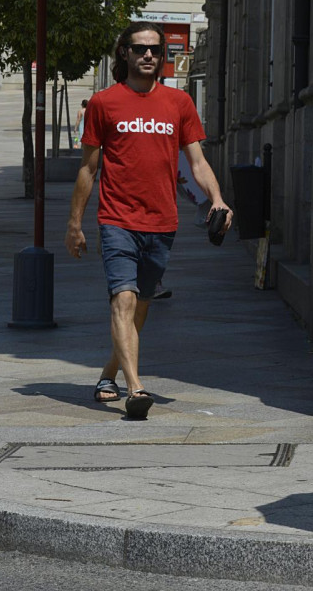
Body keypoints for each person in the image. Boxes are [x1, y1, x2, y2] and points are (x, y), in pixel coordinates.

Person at [65, 22, 232, 420]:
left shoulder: (179, 103)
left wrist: (219, 199)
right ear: (124, 52)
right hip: (117, 219)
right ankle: (136, 388)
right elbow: (88, 170)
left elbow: (197, 162)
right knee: (122, 300)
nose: (148, 56)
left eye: (156, 50)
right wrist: (75, 224)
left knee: (139, 306)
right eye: (140, 49)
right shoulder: (104, 104)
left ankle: (109, 373)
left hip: (161, 222)